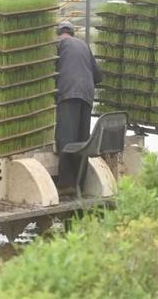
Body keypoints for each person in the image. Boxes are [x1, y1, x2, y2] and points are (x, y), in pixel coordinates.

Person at [55, 21, 103, 193]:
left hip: (68, 92)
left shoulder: (58, 44)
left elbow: (49, 72)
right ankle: (79, 183)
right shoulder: (83, 45)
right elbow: (98, 75)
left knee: (66, 138)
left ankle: (66, 184)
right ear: (72, 33)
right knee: (82, 138)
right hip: (87, 94)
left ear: (58, 33)